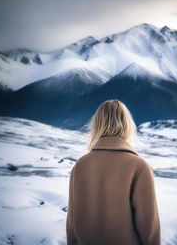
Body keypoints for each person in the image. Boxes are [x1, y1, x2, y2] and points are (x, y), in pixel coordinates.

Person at [66, 99, 161, 245]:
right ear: (127, 125)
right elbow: (149, 228)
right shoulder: (139, 166)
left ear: (97, 125)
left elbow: (72, 222)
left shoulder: (81, 165)